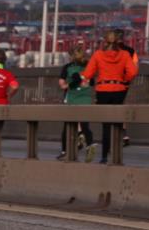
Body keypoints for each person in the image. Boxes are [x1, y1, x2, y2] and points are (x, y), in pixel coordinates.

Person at [82, 30, 138, 164]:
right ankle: (117, 155)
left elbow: (88, 74)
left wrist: (80, 79)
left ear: (104, 41)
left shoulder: (98, 55)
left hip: (103, 90)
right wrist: (123, 79)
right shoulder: (124, 55)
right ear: (118, 41)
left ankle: (104, 156)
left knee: (106, 126)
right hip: (119, 89)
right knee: (118, 123)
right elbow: (133, 71)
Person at [57, 46, 95, 162]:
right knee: (85, 125)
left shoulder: (67, 68)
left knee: (67, 126)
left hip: (72, 99)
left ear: (71, 56)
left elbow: (62, 85)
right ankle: (89, 146)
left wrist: (71, 84)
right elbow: (92, 82)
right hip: (86, 99)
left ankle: (65, 151)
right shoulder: (89, 67)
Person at [113, 29, 138, 146]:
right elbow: (135, 68)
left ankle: (118, 133)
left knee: (111, 107)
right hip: (124, 83)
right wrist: (127, 80)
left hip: (110, 83)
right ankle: (123, 133)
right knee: (120, 105)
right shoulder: (131, 51)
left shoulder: (108, 50)